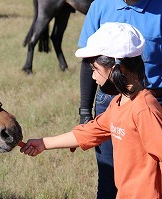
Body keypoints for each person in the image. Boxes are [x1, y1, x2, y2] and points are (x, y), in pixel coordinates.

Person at [20, 22, 162, 198]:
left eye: (95, 69)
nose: (93, 76)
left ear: (117, 68)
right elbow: (88, 132)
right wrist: (43, 143)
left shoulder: (143, 109)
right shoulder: (118, 103)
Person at [77, 0, 162, 198]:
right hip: (111, 100)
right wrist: (84, 111)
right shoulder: (100, 5)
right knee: (108, 178)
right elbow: (88, 63)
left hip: (153, 104)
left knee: (146, 173)